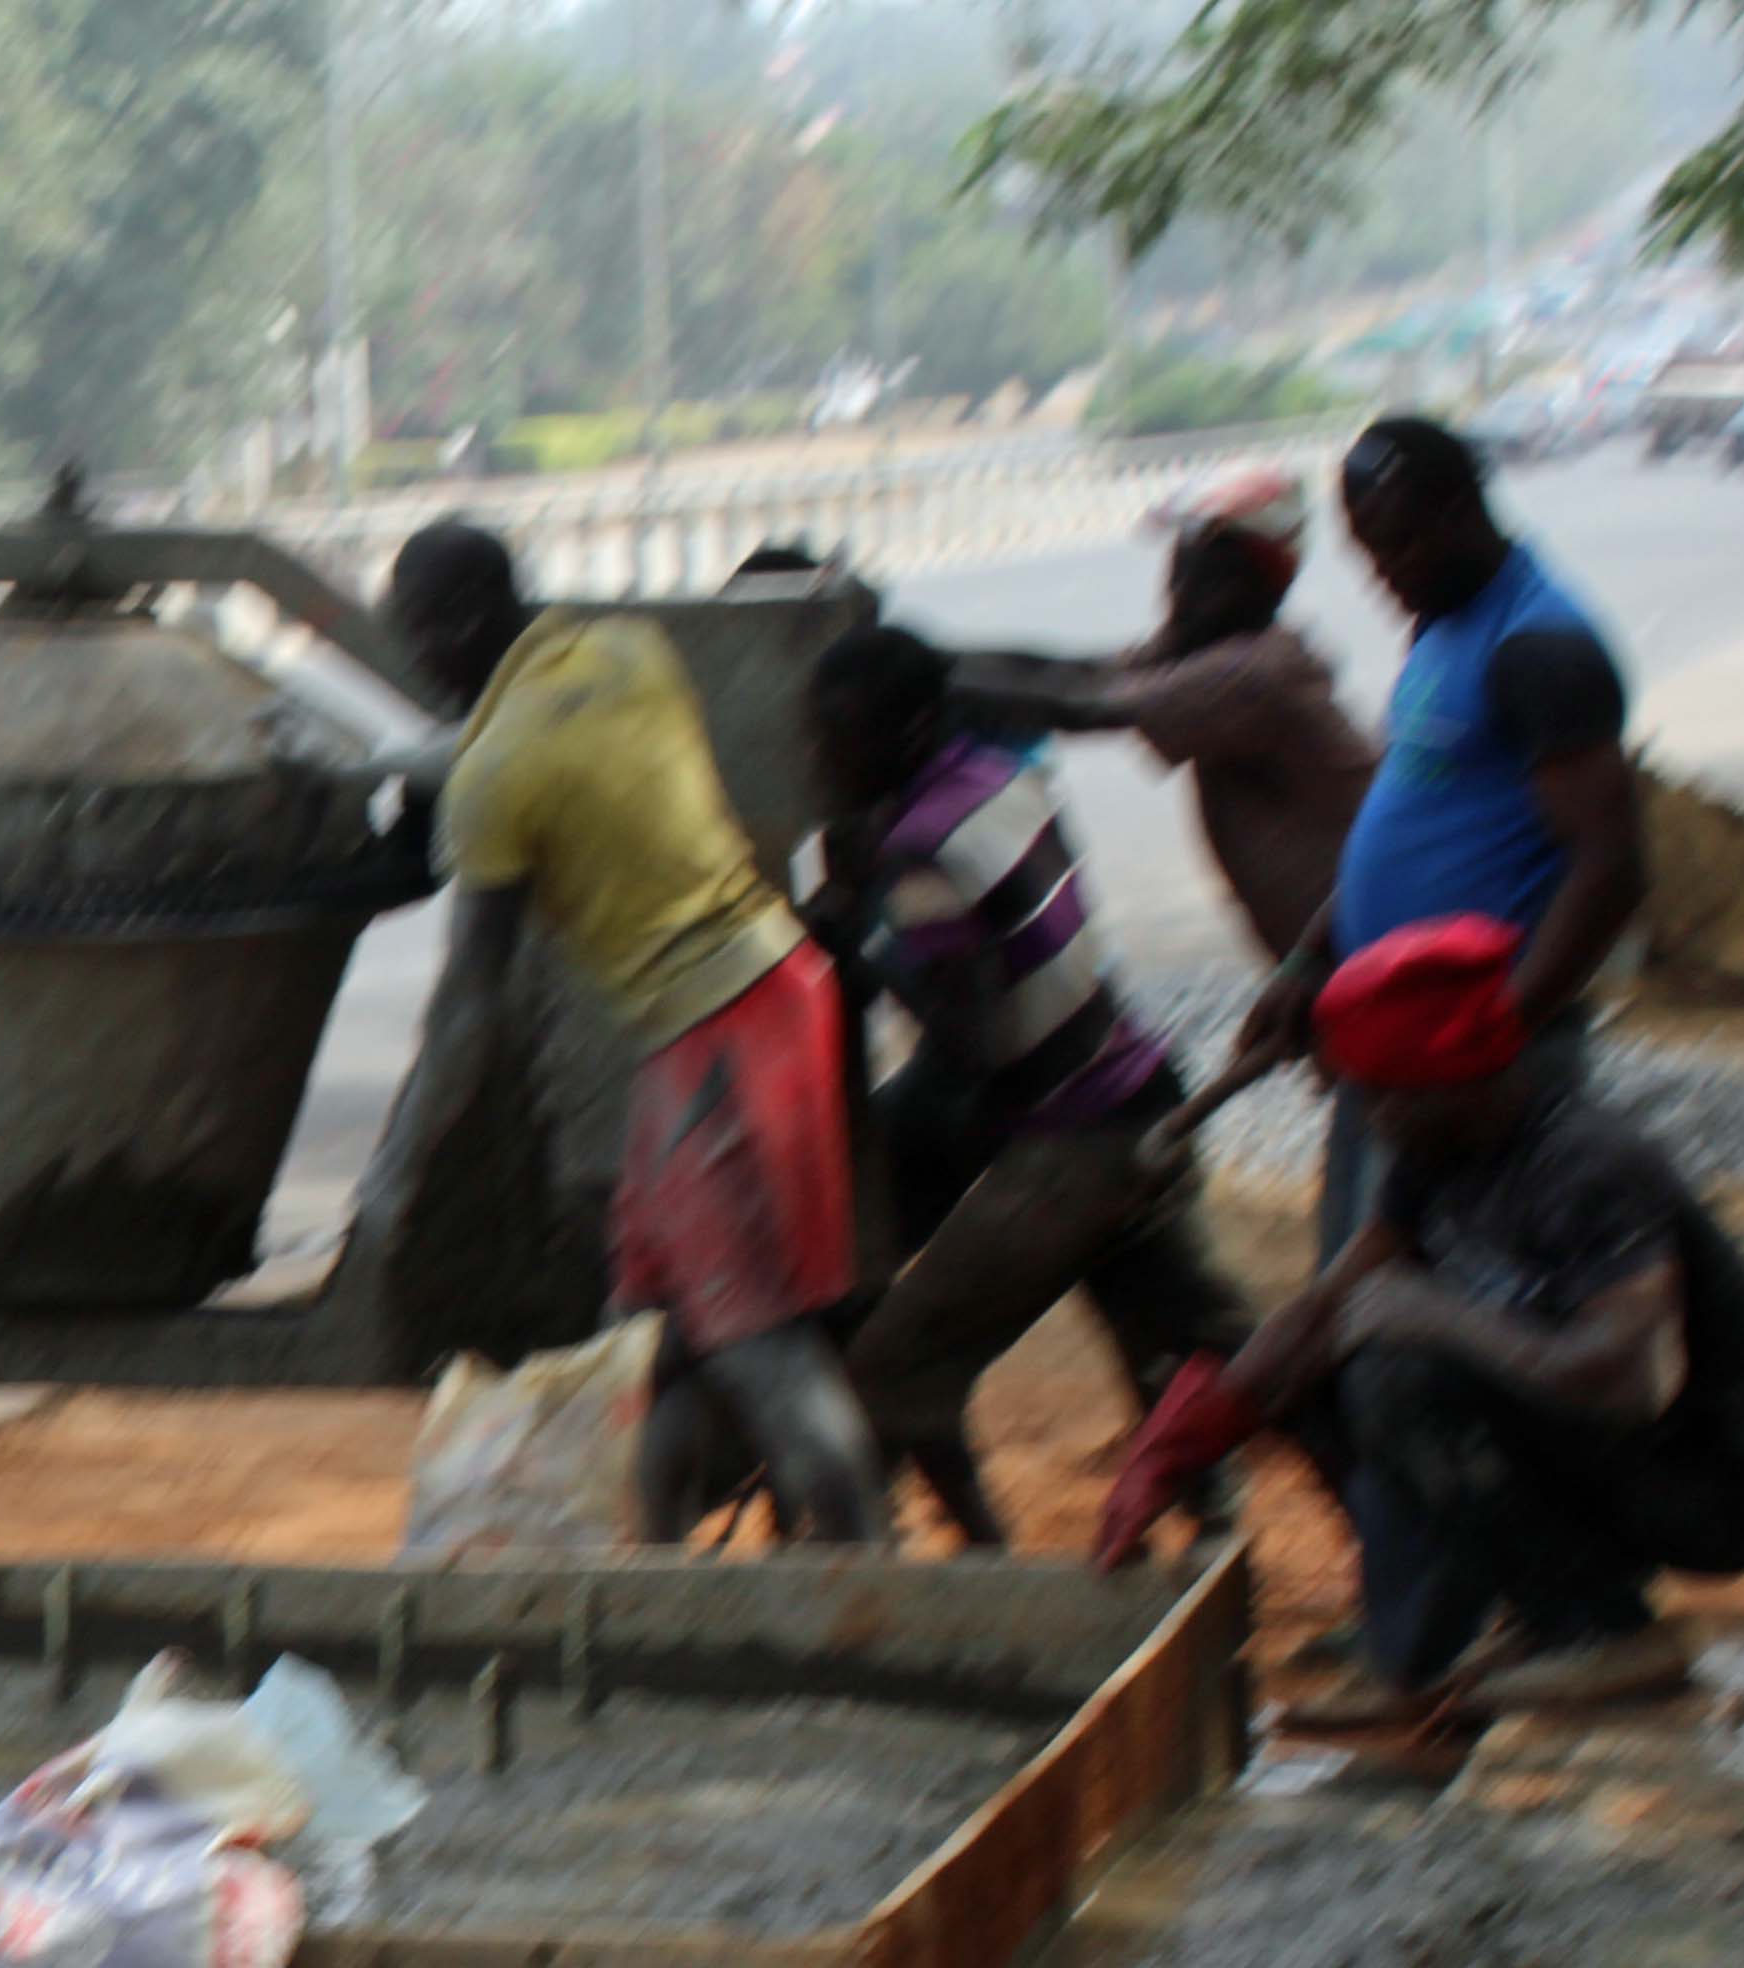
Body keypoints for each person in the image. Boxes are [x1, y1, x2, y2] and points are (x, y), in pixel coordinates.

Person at [1099, 918, 1744, 1727]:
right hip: (1612, 1452)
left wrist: (1441, 1316)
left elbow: (1635, 1379)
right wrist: (1174, 1450)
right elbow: (1320, 1318)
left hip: (1717, 1483)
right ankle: (1531, 1621)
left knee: (1402, 1371)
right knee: (1331, 1370)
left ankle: (1605, 1630)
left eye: (1379, 1094)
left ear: (1453, 1078)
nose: (1367, 1117)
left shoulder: (1587, 1166)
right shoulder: (1435, 1158)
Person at [378, 518, 886, 1546]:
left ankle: (871, 1580)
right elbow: (513, 744)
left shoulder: (494, 782)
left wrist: (400, 1165)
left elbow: (471, 996)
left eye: (419, 636)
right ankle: (646, 1572)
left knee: (761, 1345)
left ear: (465, 623)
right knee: (652, 1334)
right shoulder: (627, 652)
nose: (414, 660)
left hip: (722, 1034)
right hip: (759, 1000)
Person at [802, 627, 1257, 1550]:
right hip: (1141, 1094)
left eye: (840, 738)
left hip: (1073, 1133)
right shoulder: (997, 773)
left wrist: (857, 939)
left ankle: (980, 1560)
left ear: (909, 731)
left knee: (893, 1365)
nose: (824, 760)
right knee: (1204, 1342)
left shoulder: (922, 852)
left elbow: (965, 1043)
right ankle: (1227, 1540)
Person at [1223, 419, 1647, 1260]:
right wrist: (1310, 963)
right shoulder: (1440, 620)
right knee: (1355, 1271)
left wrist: (1494, 1038)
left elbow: (1611, 870)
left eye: (1400, 545)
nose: (1384, 574)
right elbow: (1414, 810)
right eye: (1369, 553)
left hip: (1476, 1063)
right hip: (1395, 1038)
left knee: (1436, 1292)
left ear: (1461, 509)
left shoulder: (1541, 649)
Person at [942, 469, 1380, 967]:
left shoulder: (1255, 672)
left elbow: (1085, 704)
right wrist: (932, 658)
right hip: (1336, 943)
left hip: (1363, 942)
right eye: (1176, 571)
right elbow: (1078, 671)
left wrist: (920, 672)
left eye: (1202, 578)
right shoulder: (1203, 643)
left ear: (1252, 584)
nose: (1177, 593)